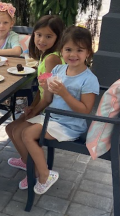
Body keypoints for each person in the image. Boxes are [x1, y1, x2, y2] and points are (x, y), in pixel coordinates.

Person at [11, 26, 99, 193]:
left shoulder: (89, 80)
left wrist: (64, 93)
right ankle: (31, 166)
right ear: (62, 51)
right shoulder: (59, 70)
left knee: (27, 134)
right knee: (15, 128)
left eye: (79, 50)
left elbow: (85, 111)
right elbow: (49, 99)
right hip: (52, 118)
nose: (73, 54)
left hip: (69, 125)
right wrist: (45, 90)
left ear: (88, 52)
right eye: (68, 49)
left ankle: (44, 174)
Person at [6, 15, 65, 169]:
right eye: (38, 35)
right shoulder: (47, 55)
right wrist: (32, 106)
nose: (41, 40)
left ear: (58, 38)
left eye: (48, 36)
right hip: (45, 107)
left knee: (18, 130)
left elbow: (48, 97)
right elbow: (41, 89)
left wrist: (33, 112)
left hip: (52, 112)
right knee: (10, 128)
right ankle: (27, 161)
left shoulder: (52, 59)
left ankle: (34, 169)